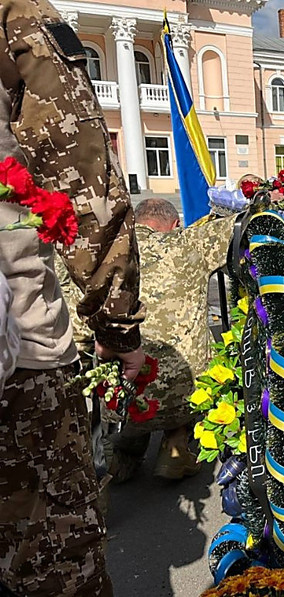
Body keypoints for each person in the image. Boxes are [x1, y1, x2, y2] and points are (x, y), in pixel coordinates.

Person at [0, 1, 146, 594]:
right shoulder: (16, 12)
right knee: (54, 567)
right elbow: (84, 180)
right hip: (20, 358)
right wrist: (118, 330)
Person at [61, 198, 238, 482]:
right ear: (175, 225)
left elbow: (77, 329)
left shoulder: (102, 259)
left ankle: (121, 452)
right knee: (196, 374)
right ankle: (175, 446)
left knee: (127, 399)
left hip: (121, 396)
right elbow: (245, 224)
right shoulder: (189, 243)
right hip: (184, 396)